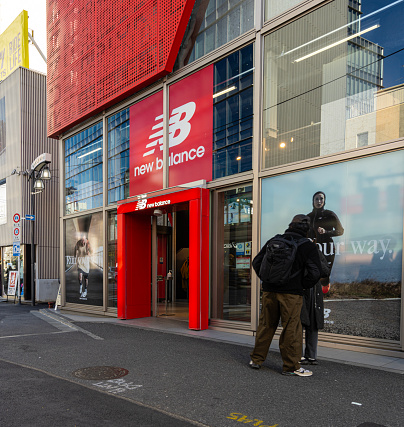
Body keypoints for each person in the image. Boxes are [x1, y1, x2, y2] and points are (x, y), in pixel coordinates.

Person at [249, 214, 321, 376]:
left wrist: (267, 280)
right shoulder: (307, 246)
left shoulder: (275, 240)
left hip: (269, 291)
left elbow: (256, 262)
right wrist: (301, 285)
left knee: (266, 325)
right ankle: (291, 367)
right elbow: (315, 273)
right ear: (307, 229)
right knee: (291, 328)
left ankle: (256, 359)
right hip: (291, 294)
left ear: (290, 225)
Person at [307, 191, 344, 292]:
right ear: (313, 201)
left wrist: (326, 232)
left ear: (324, 201)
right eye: (316, 199)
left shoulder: (329, 214)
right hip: (313, 248)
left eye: (321, 199)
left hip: (327, 248)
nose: (319, 201)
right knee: (313, 273)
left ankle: (325, 289)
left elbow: (340, 231)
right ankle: (315, 295)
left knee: (324, 275)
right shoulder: (308, 217)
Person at [300, 250, 330, 365]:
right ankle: (297, 355)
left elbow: (326, 271)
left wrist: (314, 257)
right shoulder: (297, 250)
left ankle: (311, 355)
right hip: (300, 290)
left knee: (313, 323)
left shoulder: (316, 251)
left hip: (314, 292)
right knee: (299, 323)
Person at [75, 234, 92, 300]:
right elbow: (76, 251)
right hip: (80, 264)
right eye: (82, 240)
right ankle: (80, 285)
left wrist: (88, 253)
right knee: (80, 275)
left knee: (86, 279)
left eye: (84, 240)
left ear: (86, 240)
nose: (83, 241)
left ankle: (85, 289)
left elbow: (91, 254)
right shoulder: (78, 244)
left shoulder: (88, 245)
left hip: (86, 265)